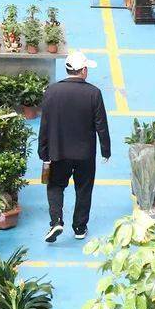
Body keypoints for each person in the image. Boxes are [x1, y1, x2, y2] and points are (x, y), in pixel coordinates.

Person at [38, 50, 111, 242]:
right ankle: (79, 227)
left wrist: (43, 151)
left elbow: (44, 124)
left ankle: (56, 222)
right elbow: (101, 125)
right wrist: (106, 150)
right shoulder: (93, 93)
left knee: (55, 186)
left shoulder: (51, 91)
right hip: (85, 154)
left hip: (58, 151)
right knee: (84, 189)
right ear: (84, 70)